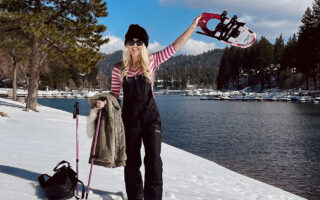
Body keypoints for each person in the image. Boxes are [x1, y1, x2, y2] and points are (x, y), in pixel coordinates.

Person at [96, 14, 202, 200]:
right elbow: (114, 95)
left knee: (154, 161)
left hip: (151, 118)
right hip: (130, 120)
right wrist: (104, 101)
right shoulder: (118, 68)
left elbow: (175, 46)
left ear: (144, 44)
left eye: (139, 42)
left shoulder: (152, 61)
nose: (135, 45)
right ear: (126, 44)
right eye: (131, 41)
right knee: (132, 163)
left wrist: (193, 26)